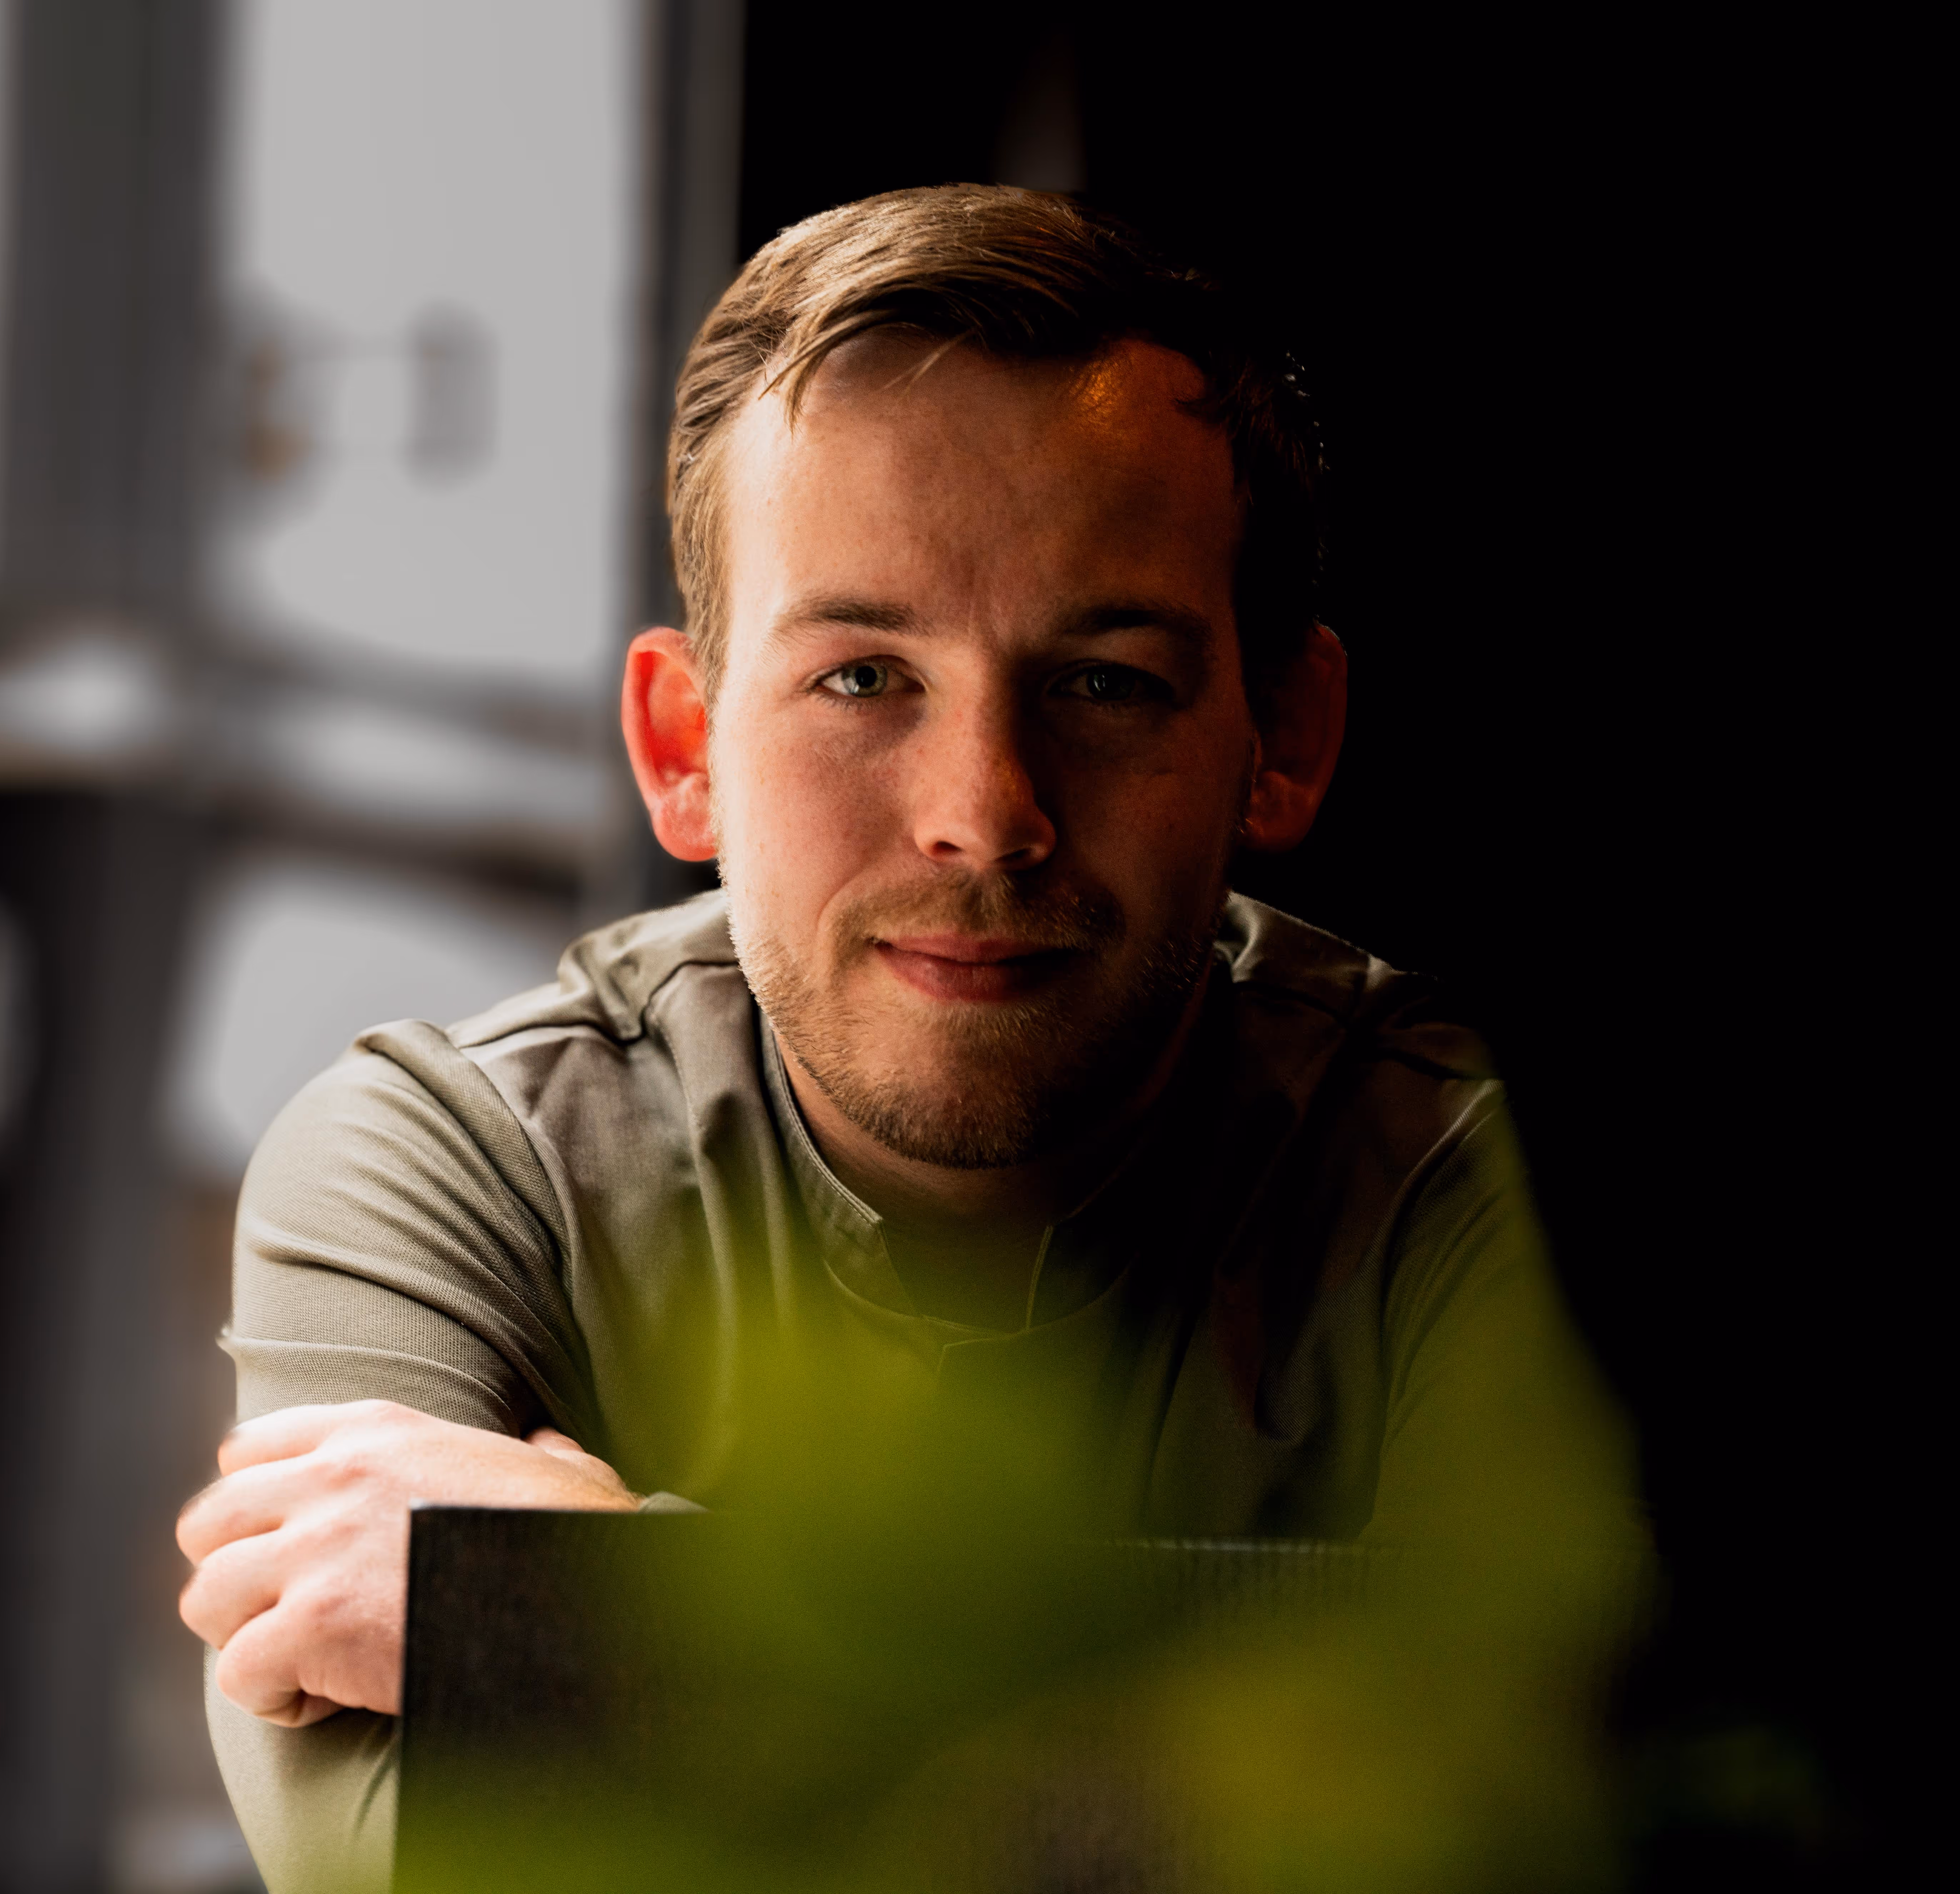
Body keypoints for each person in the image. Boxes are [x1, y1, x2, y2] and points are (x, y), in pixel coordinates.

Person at [175, 186, 1634, 1891]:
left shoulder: (1467, 1167)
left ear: (1282, 739)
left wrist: (594, 1609)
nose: (983, 818)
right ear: (682, 748)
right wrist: (1259, 1723)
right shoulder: (450, 1169)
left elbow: (1540, 1830)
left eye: (1103, 682)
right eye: (862, 679)